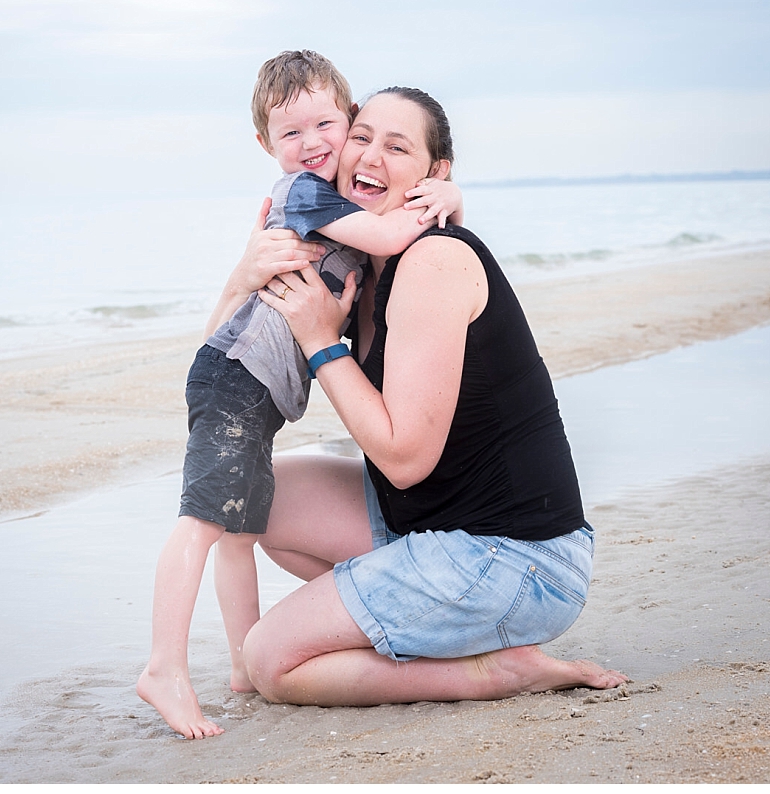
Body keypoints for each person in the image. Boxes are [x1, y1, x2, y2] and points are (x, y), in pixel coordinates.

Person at [230, 86, 629, 706]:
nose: (370, 157)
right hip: (428, 525)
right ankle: (422, 621)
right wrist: (243, 273)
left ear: (434, 174)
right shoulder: (356, 264)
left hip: (516, 559)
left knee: (271, 662)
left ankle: (495, 671)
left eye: (397, 147)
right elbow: (218, 360)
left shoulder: (433, 261)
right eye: (361, 137)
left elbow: (404, 458)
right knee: (256, 491)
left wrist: (320, 340)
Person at [136, 52, 464, 739]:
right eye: (291, 134)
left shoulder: (330, 196)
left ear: (348, 120)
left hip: (243, 380)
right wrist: (445, 197)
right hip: (236, 378)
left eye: (326, 124)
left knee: (238, 530)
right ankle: (163, 666)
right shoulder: (305, 195)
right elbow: (385, 231)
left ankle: (236, 659)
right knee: (203, 521)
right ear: (266, 146)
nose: (313, 143)